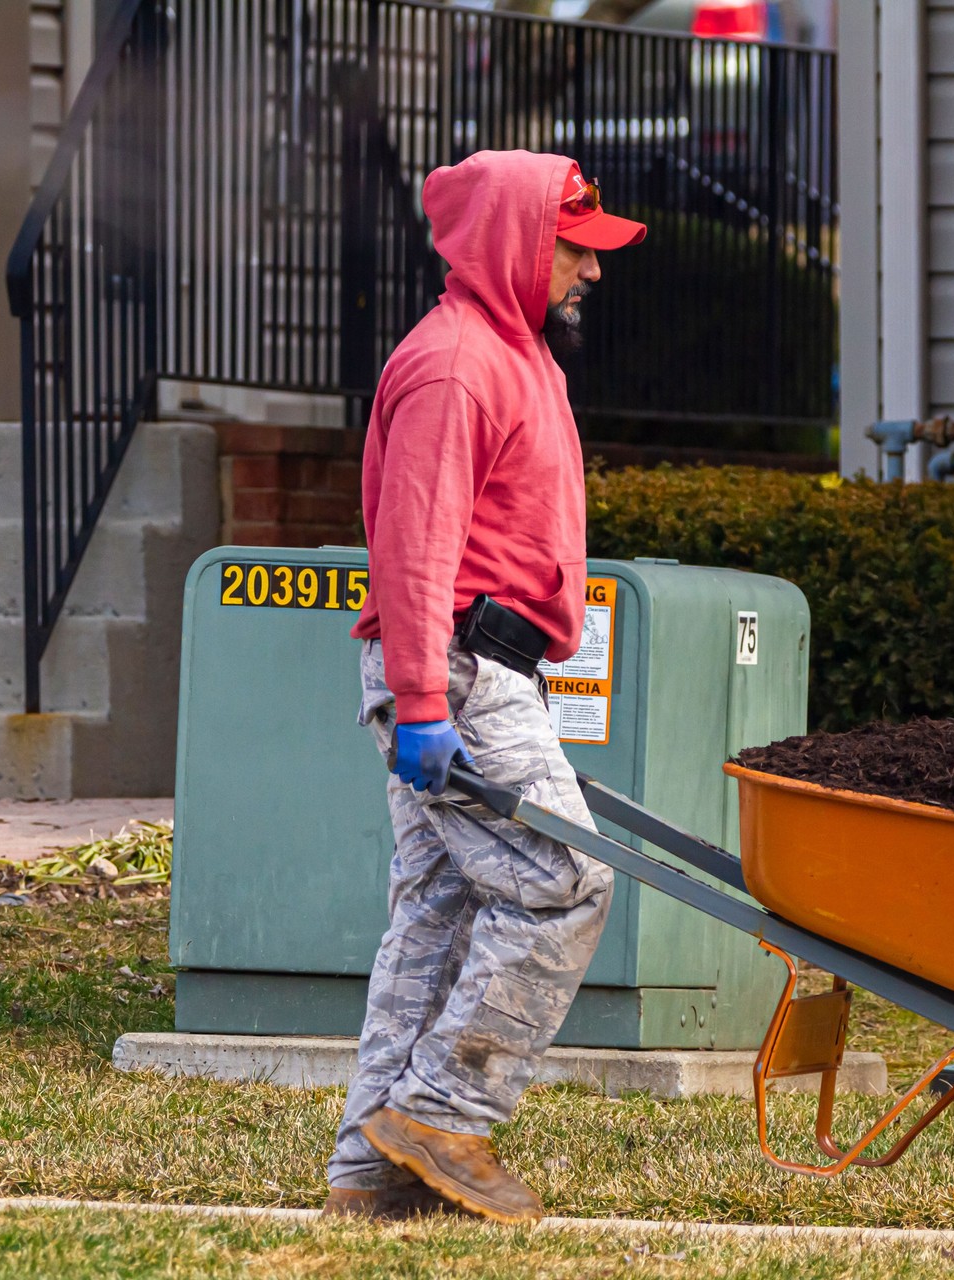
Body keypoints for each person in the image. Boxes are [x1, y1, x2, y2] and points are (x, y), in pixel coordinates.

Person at [323, 150, 648, 1223]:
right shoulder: (457, 365)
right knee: (565, 878)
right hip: (454, 668)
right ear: (516, 241)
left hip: (480, 665)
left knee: (440, 906)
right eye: (573, 250)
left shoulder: (517, 355)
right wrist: (421, 702)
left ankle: (371, 1169)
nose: (589, 274)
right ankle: (446, 1114)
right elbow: (413, 548)